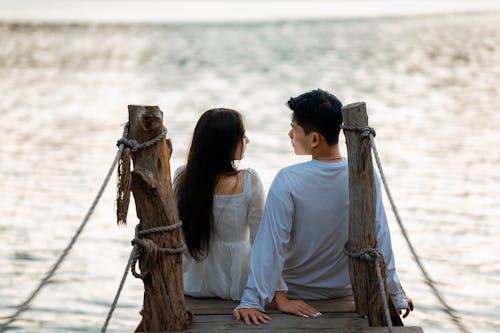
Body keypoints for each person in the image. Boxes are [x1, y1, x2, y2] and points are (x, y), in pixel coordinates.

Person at [233, 89, 414, 325]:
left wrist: (251, 300)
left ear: (314, 138)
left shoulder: (288, 179)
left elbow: (271, 245)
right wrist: (395, 293)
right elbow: (381, 238)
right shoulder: (364, 174)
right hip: (346, 290)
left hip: (298, 290)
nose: (290, 134)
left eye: (294, 129)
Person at [173, 108, 265, 301]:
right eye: (243, 135)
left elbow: (176, 234)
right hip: (238, 283)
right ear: (226, 143)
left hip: (193, 282)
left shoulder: (183, 177)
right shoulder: (249, 180)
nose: (247, 140)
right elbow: (260, 240)